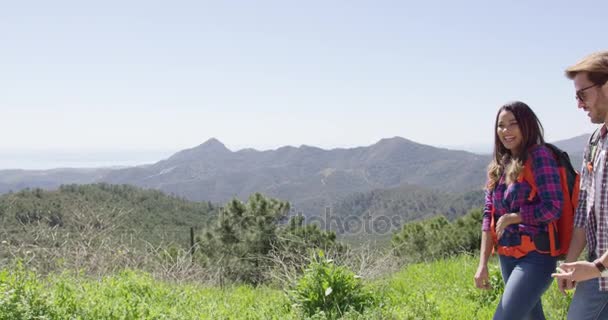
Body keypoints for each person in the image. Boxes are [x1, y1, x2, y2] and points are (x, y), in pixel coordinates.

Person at [475, 101, 564, 320]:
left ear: (526, 125)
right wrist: (482, 264)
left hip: (536, 256)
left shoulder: (540, 156)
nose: (506, 130)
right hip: (507, 256)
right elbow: (489, 217)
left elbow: (553, 206)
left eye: (513, 123)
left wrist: (515, 217)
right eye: (501, 125)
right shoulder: (499, 166)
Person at [551, 51, 608, 319]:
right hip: (598, 270)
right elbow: (584, 211)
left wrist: (597, 267)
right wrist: (570, 264)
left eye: (582, 95)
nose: (579, 105)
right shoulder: (595, 141)